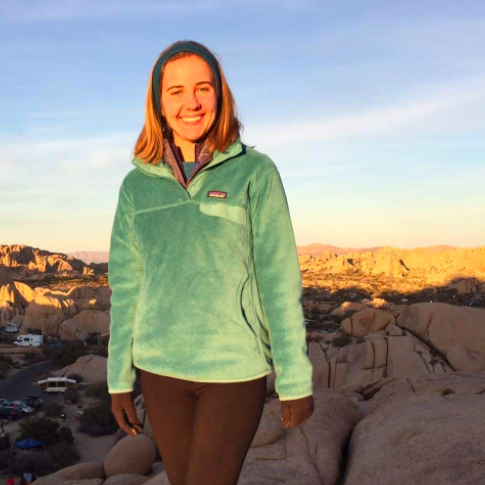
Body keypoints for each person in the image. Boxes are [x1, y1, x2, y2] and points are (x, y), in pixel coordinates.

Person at [107, 40, 315, 485]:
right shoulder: (135, 187)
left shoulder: (254, 172)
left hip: (232, 368)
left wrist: (295, 378)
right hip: (160, 370)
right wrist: (118, 378)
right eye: (176, 91)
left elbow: (278, 278)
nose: (191, 102)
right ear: (158, 104)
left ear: (220, 95)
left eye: (202, 87)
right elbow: (127, 286)